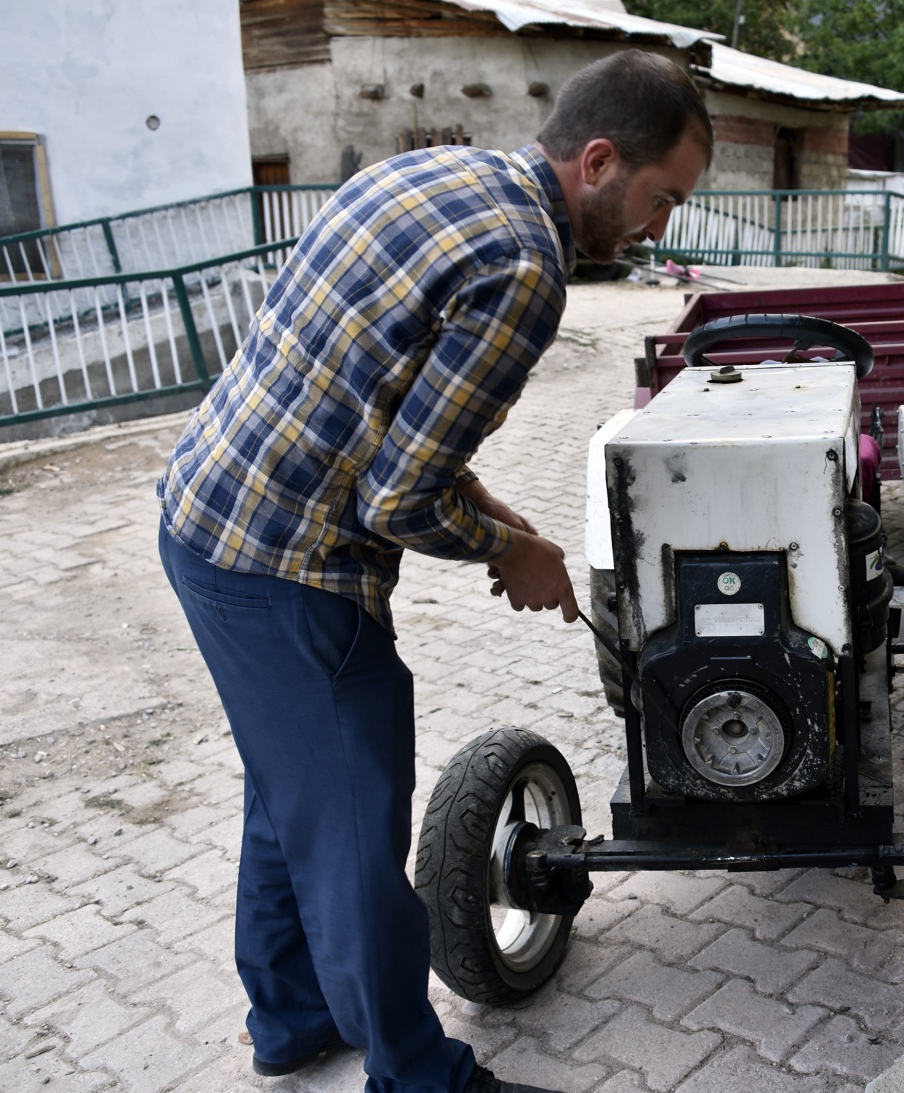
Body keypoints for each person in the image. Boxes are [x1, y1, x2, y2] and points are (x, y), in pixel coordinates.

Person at [155, 50, 712, 1093]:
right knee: (356, 831)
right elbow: (398, 500)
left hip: (203, 521)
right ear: (598, 160)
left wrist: (503, 516)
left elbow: (386, 414)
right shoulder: (524, 269)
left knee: (293, 800)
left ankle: (288, 1021)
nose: (659, 227)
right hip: (290, 568)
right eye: (660, 197)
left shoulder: (424, 175)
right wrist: (513, 551)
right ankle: (419, 1078)